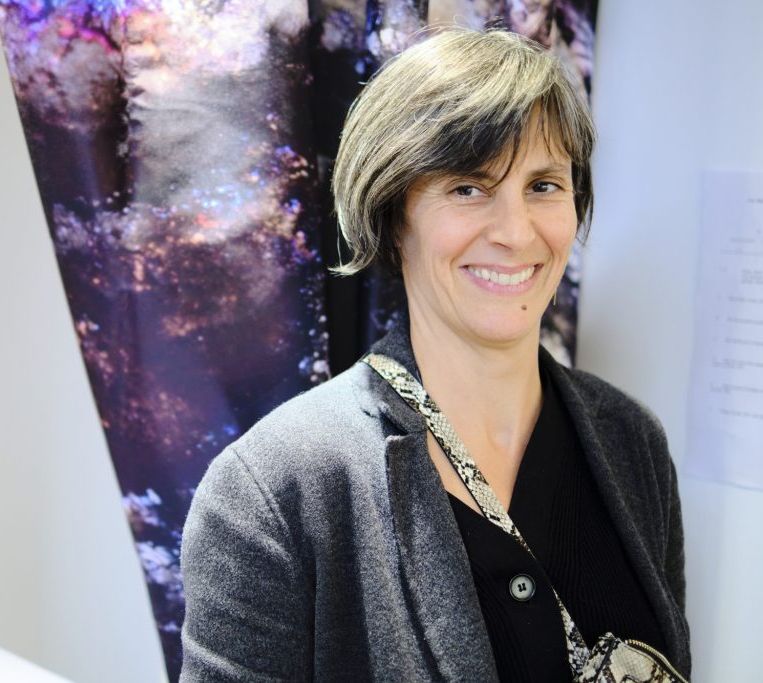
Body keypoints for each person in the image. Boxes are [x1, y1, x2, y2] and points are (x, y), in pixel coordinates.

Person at [179, 29, 691, 682]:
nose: (515, 232)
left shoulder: (632, 442)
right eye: (468, 188)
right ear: (394, 216)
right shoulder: (274, 492)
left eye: (543, 185)